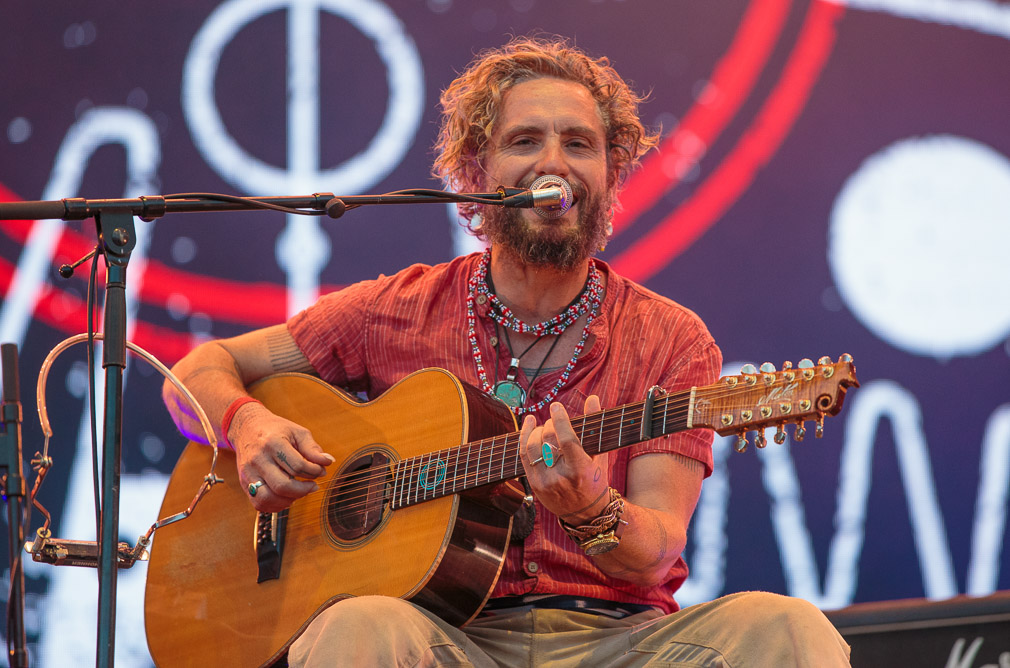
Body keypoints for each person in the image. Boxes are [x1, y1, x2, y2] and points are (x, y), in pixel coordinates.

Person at [163, 35, 850, 667]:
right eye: (525, 141)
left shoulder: (672, 338)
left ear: (611, 172)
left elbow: (654, 553)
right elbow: (193, 375)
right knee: (358, 627)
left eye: (579, 144)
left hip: (617, 640)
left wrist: (590, 509)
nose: (554, 163)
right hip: (444, 638)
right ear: (476, 169)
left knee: (788, 630)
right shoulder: (392, 309)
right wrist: (245, 424)